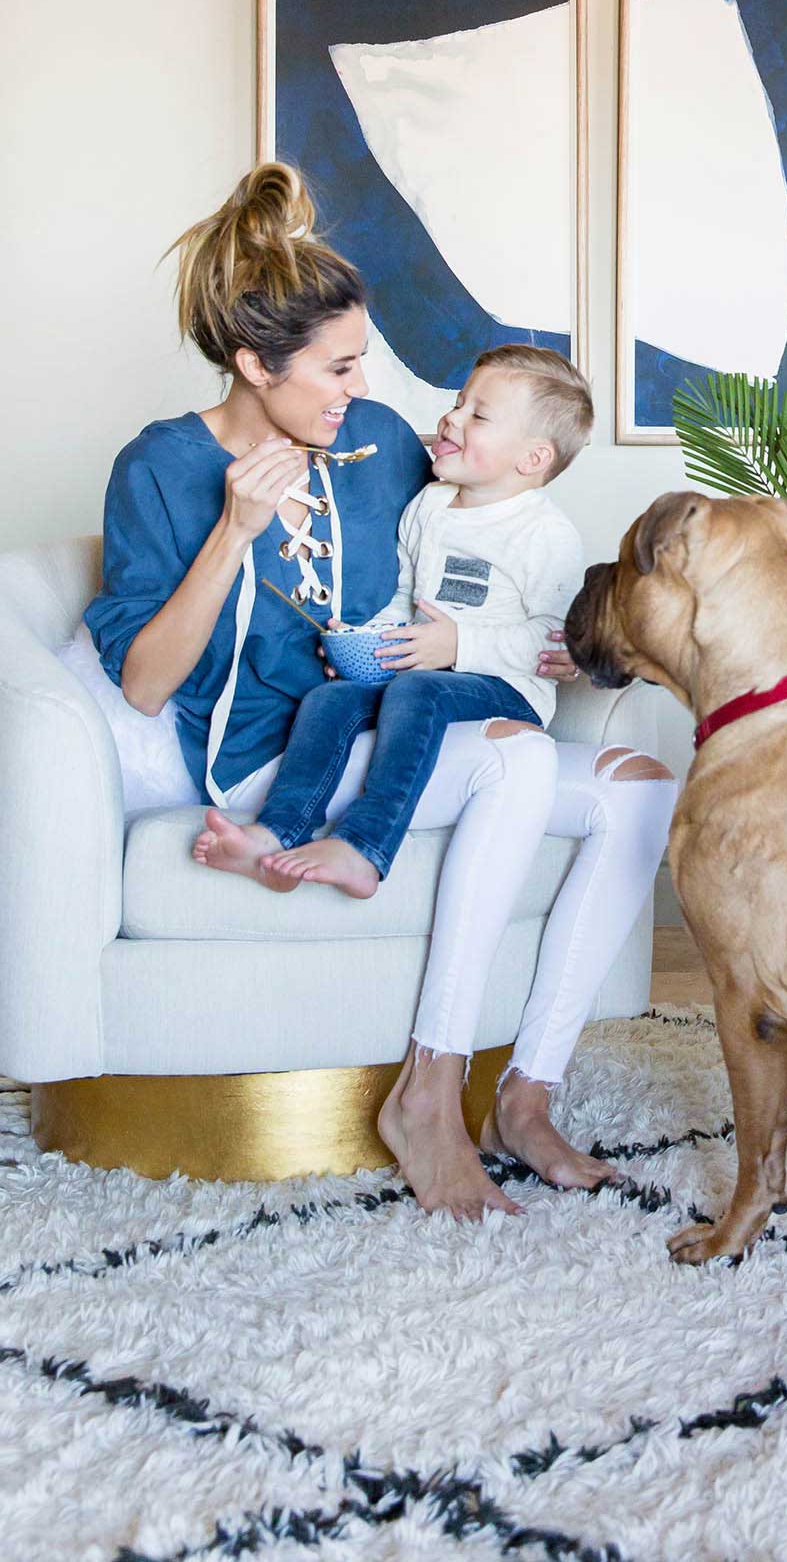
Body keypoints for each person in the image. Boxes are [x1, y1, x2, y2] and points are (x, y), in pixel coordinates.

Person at [85, 162, 677, 1219]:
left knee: (641, 791)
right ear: (255, 363)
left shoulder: (379, 449)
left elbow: (496, 541)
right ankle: (429, 1096)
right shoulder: (161, 468)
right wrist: (234, 533)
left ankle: (527, 1097)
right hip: (279, 756)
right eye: (339, 367)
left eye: (361, 364)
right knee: (514, 764)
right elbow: (142, 684)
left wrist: (530, 645)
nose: (359, 389)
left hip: (402, 725)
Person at [192, 345, 591, 901]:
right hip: (421, 680)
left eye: (478, 415)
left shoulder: (543, 533)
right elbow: (405, 596)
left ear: (532, 458)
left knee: (418, 690)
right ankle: (275, 832)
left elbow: (554, 638)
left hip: (505, 689)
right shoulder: (430, 505)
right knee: (331, 699)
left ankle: (365, 847)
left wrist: (458, 644)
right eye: (458, 402)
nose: (452, 418)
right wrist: (369, 641)